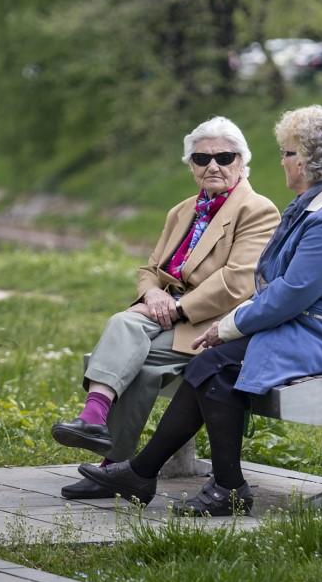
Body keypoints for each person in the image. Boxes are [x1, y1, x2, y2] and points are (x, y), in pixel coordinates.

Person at [79, 105, 322, 516]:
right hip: (311, 325)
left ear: (308, 160)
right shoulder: (319, 203)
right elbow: (278, 284)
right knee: (211, 365)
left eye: (287, 153)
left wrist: (229, 326)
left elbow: (291, 293)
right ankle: (165, 475)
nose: (281, 161)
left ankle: (211, 484)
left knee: (214, 364)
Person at [51, 116, 279, 499]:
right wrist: (154, 294)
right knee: (134, 348)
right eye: (201, 158)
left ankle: (99, 430)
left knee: (130, 339)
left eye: (224, 156)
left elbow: (237, 283)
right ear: (190, 166)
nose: (213, 166)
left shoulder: (257, 210)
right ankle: (113, 461)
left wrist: (174, 308)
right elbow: (150, 269)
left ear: (242, 162)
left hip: (212, 326)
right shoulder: (183, 210)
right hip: (167, 317)